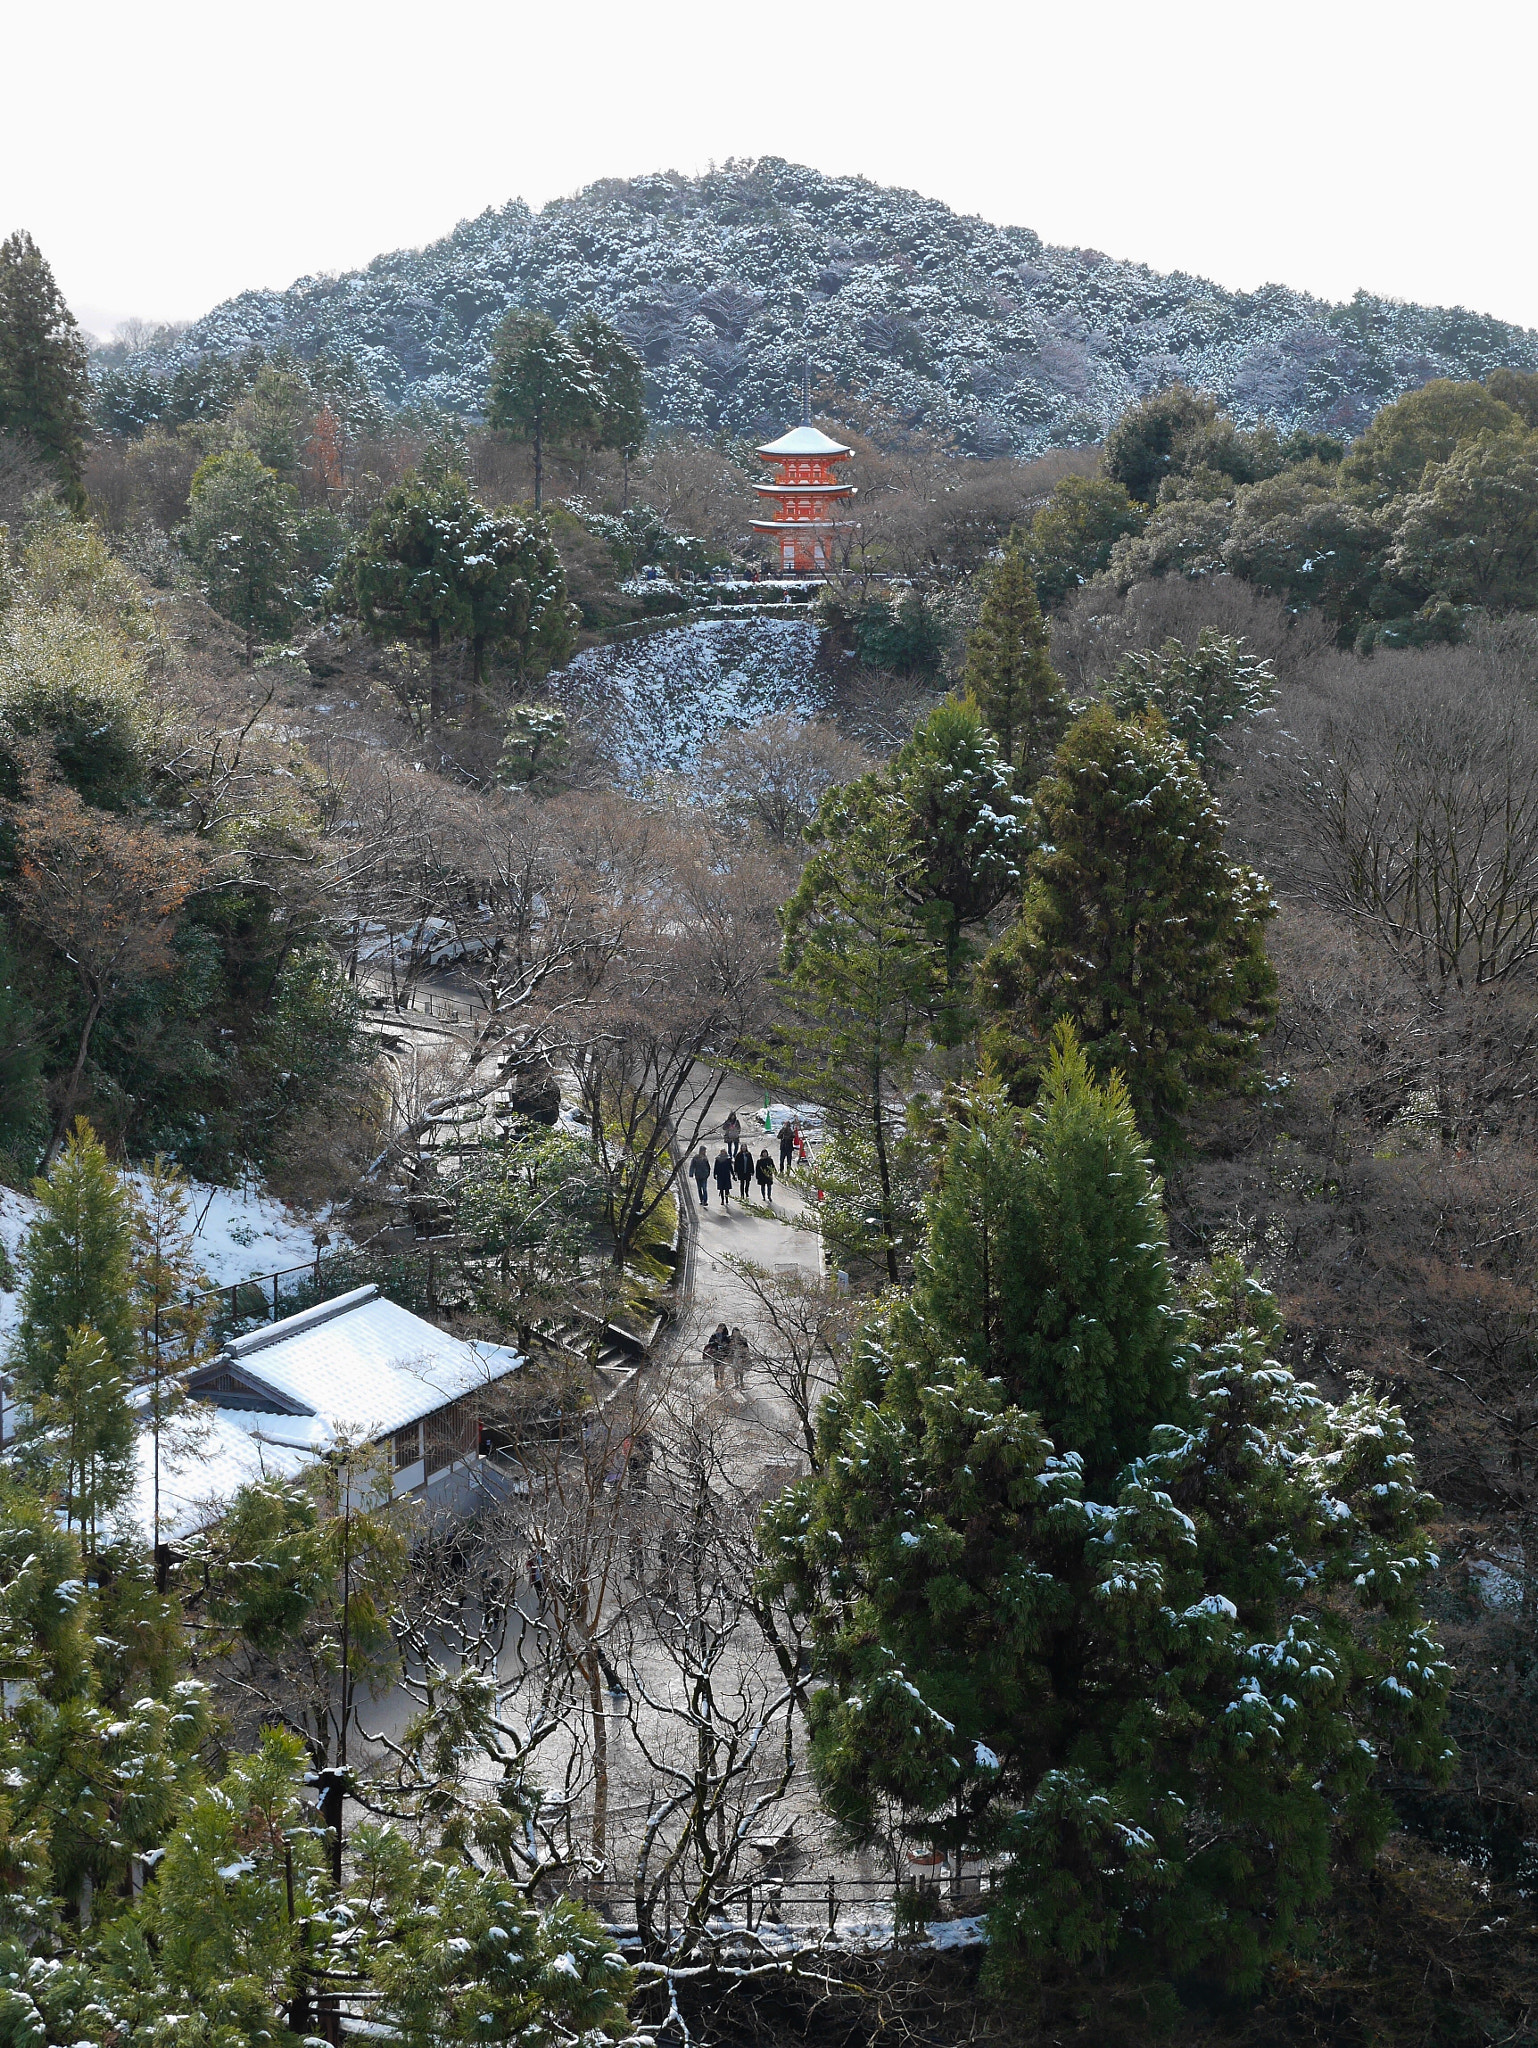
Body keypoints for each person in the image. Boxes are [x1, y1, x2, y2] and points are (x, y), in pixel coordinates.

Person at [705, 1322, 730, 1388]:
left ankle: (721, 1381)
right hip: (716, 1353)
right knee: (716, 1368)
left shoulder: (726, 1337)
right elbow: (710, 1343)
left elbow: (729, 1345)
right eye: (719, 1328)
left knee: (722, 1368)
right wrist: (716, 1344)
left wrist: (724, 1347)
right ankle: (716, 1381)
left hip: (723, 1354)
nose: (720, 1329)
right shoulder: (714, 1335)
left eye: (722, 1328)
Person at [729, 1327, 751, 1391]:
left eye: (737, 1332)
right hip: (734, 1357)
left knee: (741, 1370)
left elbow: (746, 1348)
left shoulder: (743, 1339)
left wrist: (746, 1356)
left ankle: (741, 1382)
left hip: (741, 1356)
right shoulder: (730, 1339)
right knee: (735, 1370)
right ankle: (736, 1383)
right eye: (734, 1332)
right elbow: (728, 1348)